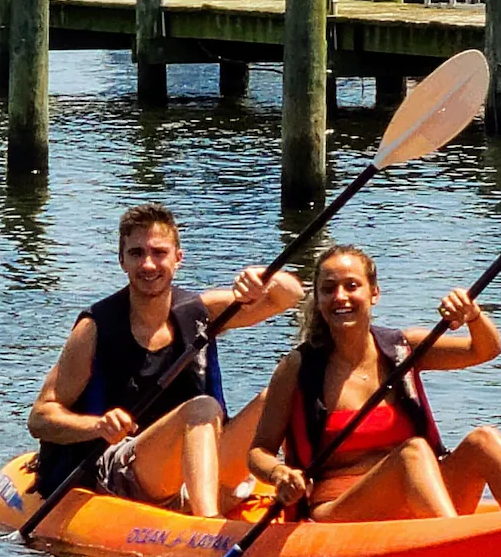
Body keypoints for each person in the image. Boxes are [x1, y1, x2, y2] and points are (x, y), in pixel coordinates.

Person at [28, 204, 303, 517]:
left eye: (159, 252)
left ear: (177, 259)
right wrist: (97, 425)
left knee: (280, 391)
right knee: (203, 408)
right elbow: (40, 417)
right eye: (136, 253)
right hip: (126, 469)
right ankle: (206, 526)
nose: (148, 264)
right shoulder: (95, 329)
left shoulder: (203, 311)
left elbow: (290, 296)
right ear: (122, 261)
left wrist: (264, 279)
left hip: (203, 462)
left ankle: (302, 490)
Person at [247, 244, 501, 522]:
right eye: (328, 289)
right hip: (338, 513)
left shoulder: (403, 349)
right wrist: (279, 474)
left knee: (484, 440)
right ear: (319, 300)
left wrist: (473, 315)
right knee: (411, 454)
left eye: (352, 286)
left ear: (374, 293)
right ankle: (453, 543)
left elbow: (485, 350)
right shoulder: (297, 367)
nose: (340, 297)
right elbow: (259, 451)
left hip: (424, 499)